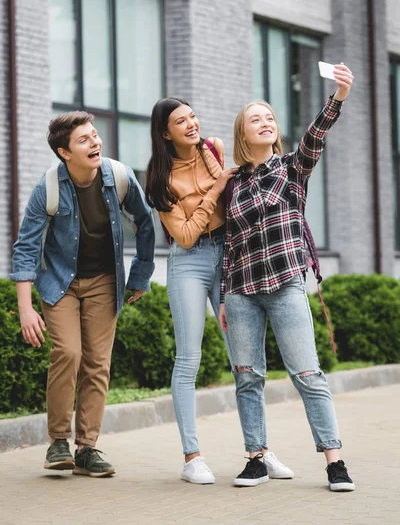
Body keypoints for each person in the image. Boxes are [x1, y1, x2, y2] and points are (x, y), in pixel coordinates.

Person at [219, 63, 356, 492]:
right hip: (241, 291)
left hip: (284, 286)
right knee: (247, 377)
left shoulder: (292, 169)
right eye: (255, 118)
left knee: (307, 374)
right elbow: (231, 244)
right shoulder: (233, 184)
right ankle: (256, 458)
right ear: (243, 133)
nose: (265, 122)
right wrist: (224, 296)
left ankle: (335, 461)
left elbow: (315, 137)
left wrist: (337, 97)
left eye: (269, 118)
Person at [145, 97, 294, 484]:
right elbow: (186, 233)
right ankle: (192, 456)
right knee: (189, 358)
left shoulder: (214, 148)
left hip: (229, 254)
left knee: (244, 359)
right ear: (166, 133)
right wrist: (215, 190)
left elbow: (234, 199)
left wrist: (218, 179)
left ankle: (259, 449)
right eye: (181, 122)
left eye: (192, 116)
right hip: (189, 263)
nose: (191, 124)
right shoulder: (160, 179)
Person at [11, 111, 155, 477]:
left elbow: (145, 224)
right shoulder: (48, 187)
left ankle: (87, 447)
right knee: (68, 352)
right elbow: (25, 248)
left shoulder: (119, 177)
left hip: (105, 280)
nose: (95, 143)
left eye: (95, 135)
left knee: (97, 362)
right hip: (60, 282)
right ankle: (58, 440)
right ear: (64, 152)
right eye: (83, 140)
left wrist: (140, 275)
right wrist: (26, 309)